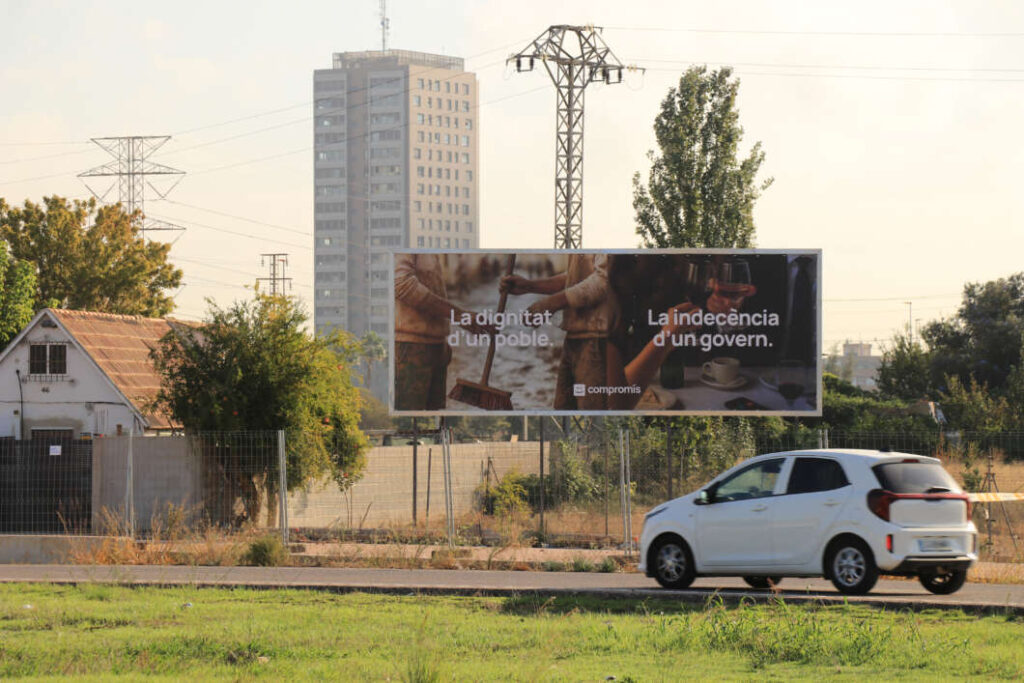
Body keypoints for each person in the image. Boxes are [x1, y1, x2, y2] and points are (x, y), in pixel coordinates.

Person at [500, 254, 617, 410]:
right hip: (575, 338)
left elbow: (604, 280)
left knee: (591, 416)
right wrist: (529, 286)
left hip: (598, 338)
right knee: (563, 412)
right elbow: (575, 279)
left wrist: (550, 303)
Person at [394, 253, 494, 410]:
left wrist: (442, 339)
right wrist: (458, 314)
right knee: (412, 420)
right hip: (411, 348)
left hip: (435, 347)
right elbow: (401, 284)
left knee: (434, 420)